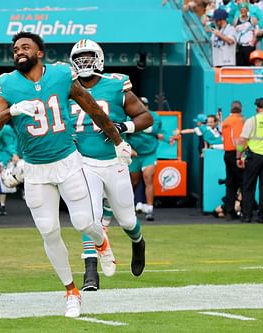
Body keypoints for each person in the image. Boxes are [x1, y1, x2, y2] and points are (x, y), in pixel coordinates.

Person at [0, 32, 132, 318]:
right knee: (49, 231)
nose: (19, 52)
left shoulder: (62, 74)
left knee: (84, 221)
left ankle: (101, 241)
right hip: (36, 169)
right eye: (15, 49)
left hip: (68, 162)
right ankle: (71, 292)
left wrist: (117, 140)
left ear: (40, 53)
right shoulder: (6, 84)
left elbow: (93, 109)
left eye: (25, 47)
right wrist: (11, 111)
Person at [67, 40, 150, 292]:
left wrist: (124, 127)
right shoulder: (66, 89)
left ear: (99, 58)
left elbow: (146, 117)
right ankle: (90, 272)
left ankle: (138, 242)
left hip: (114, 161)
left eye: (87, 57)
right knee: (89, 217)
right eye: (78, 58)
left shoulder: (115, 84)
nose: (83, 63)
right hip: (83, 162)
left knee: (126, 219)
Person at [128, 97, 165, 222]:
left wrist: (136, 126)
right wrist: (128, 148)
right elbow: (124, 133)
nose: (142, 106)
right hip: (134, 154)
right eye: (140, 104)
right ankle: (130, 207)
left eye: (145, 105)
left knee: (148, 178)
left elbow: (155, 130)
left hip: (149, 153)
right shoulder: (128, 116)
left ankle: (149, 209)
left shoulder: (154, 116)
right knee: (133, 182)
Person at [221, 101, 245, 220]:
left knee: (230, 184)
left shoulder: (226, 121)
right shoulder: (238, 121)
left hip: (227, 153)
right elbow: (237, 140)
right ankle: (245, 211)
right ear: (241, 109)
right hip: (235, 153)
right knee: (243, 183)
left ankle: (229, 211)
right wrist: (239, 156)